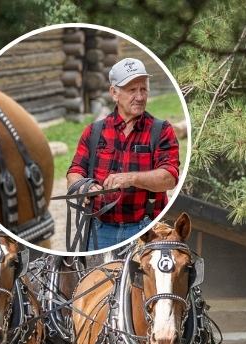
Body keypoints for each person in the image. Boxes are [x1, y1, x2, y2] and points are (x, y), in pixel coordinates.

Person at [66, 57, 180, 250]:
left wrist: (131, 178)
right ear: (114, 93)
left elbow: (169, 177)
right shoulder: (94, 132)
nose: (140, 96)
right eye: (132, 90)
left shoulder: (161, 131)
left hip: (147, 230)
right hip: (99, 230)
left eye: (143, 89)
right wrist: (81, 188)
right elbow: (75, 171)